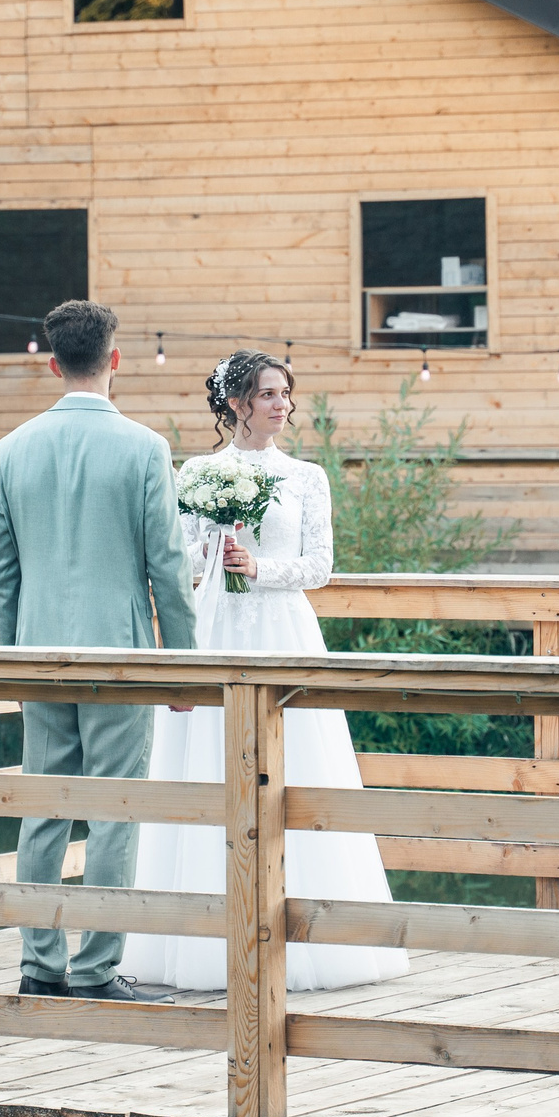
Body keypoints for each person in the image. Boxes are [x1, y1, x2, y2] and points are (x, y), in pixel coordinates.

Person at [120, 350, 409, 992]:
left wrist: (260, 569)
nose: (281, 404)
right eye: (267, 394)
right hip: (215, 622)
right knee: (206, 762)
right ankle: (195, 938)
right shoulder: (198, 472)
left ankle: (315, 936)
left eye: (285, 393)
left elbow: (318, 567)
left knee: (301, 765)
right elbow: (183, 553)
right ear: (236, 405)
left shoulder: (306, 477)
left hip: (282, 625)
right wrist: (214, 550)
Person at [0, 299, 197, 1000]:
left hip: (38, 651)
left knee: (43, 810)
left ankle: (40, 966)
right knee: (113, 811)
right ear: (115, 360)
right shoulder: (145, 448)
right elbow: (167, 567)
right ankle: (99, 969)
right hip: (123, 656)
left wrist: (11, 652)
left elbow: (2, 572)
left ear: (52, 363)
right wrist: (182, 661)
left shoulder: (12, 449)